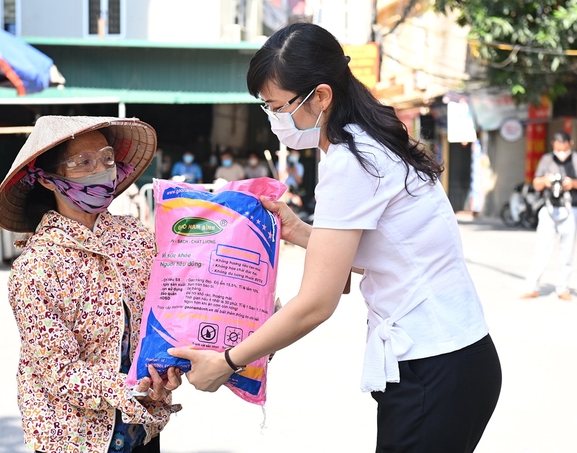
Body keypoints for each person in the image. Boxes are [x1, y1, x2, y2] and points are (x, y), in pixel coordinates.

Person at [169, 23, 501, 453]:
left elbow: (316, 304)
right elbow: (397, 256)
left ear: (320, 96)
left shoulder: (351, 160)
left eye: (277, 106)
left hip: (433, 366)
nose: (273, 118)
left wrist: (227, 361)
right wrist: (303, 233)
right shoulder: (371, 139)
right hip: (451, 359)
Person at [0, 116, 182, 453]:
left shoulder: (135, 237)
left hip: (141, 427)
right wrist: (128, 388)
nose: (102, 170)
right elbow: (57, 370)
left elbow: (173, 307)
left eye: (107, 158)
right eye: (84, 162)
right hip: (73, 437)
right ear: (49, 180)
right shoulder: (37, 266)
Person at [521, 130, 577, 301]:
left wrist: (572, 184)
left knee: (567, 251)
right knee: (541, 249)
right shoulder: (546, 159)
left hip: (571, 209)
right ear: (553, 145)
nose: (561, 153)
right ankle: (532, 287)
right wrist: (546, 181)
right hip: (549, 208)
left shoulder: (575, 160)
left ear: (571, 144)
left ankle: (563, 288)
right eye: (558, 149)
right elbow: (536, 183)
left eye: (564, 149)